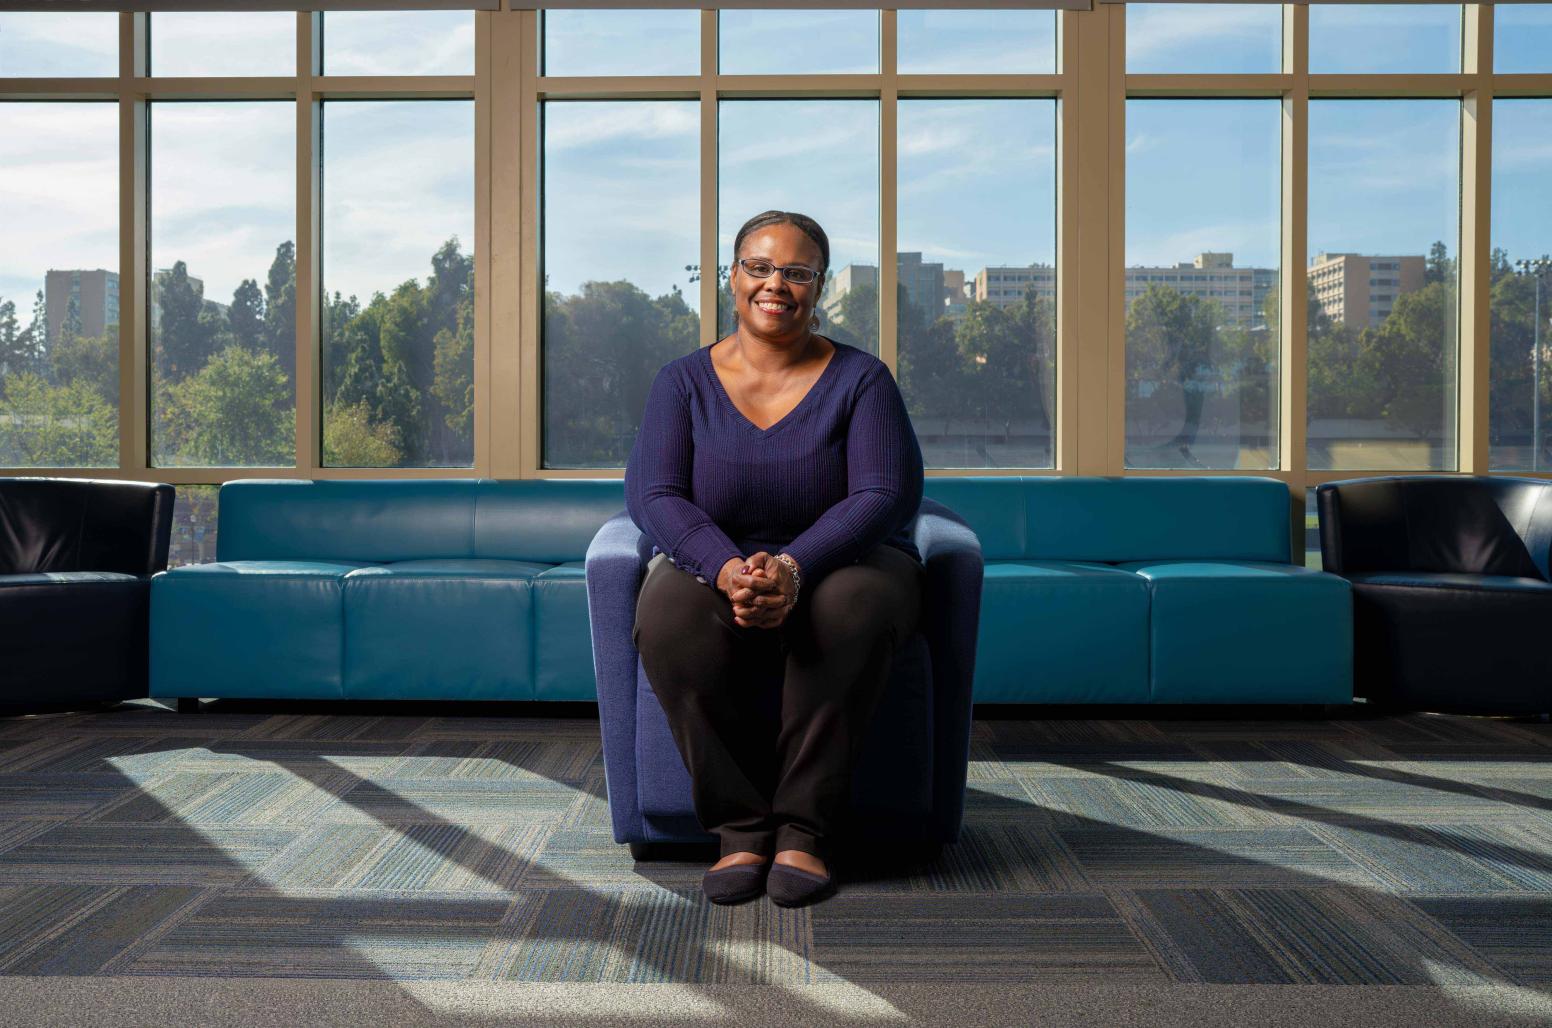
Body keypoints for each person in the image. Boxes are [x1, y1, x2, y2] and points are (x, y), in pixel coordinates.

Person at [624, 210, 926, 907]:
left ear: (818, 287)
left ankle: (803, 830)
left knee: (846, 605)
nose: (776, 285)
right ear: (732, 278)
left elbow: (883, 494)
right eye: (759, 268)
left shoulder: (863, 380)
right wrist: (728, 569)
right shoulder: (681, 383)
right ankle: (738, 828)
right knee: (667, 609)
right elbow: (656, 493)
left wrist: (792, 569)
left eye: (796, 272)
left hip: (853, 560)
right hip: (716, 561)